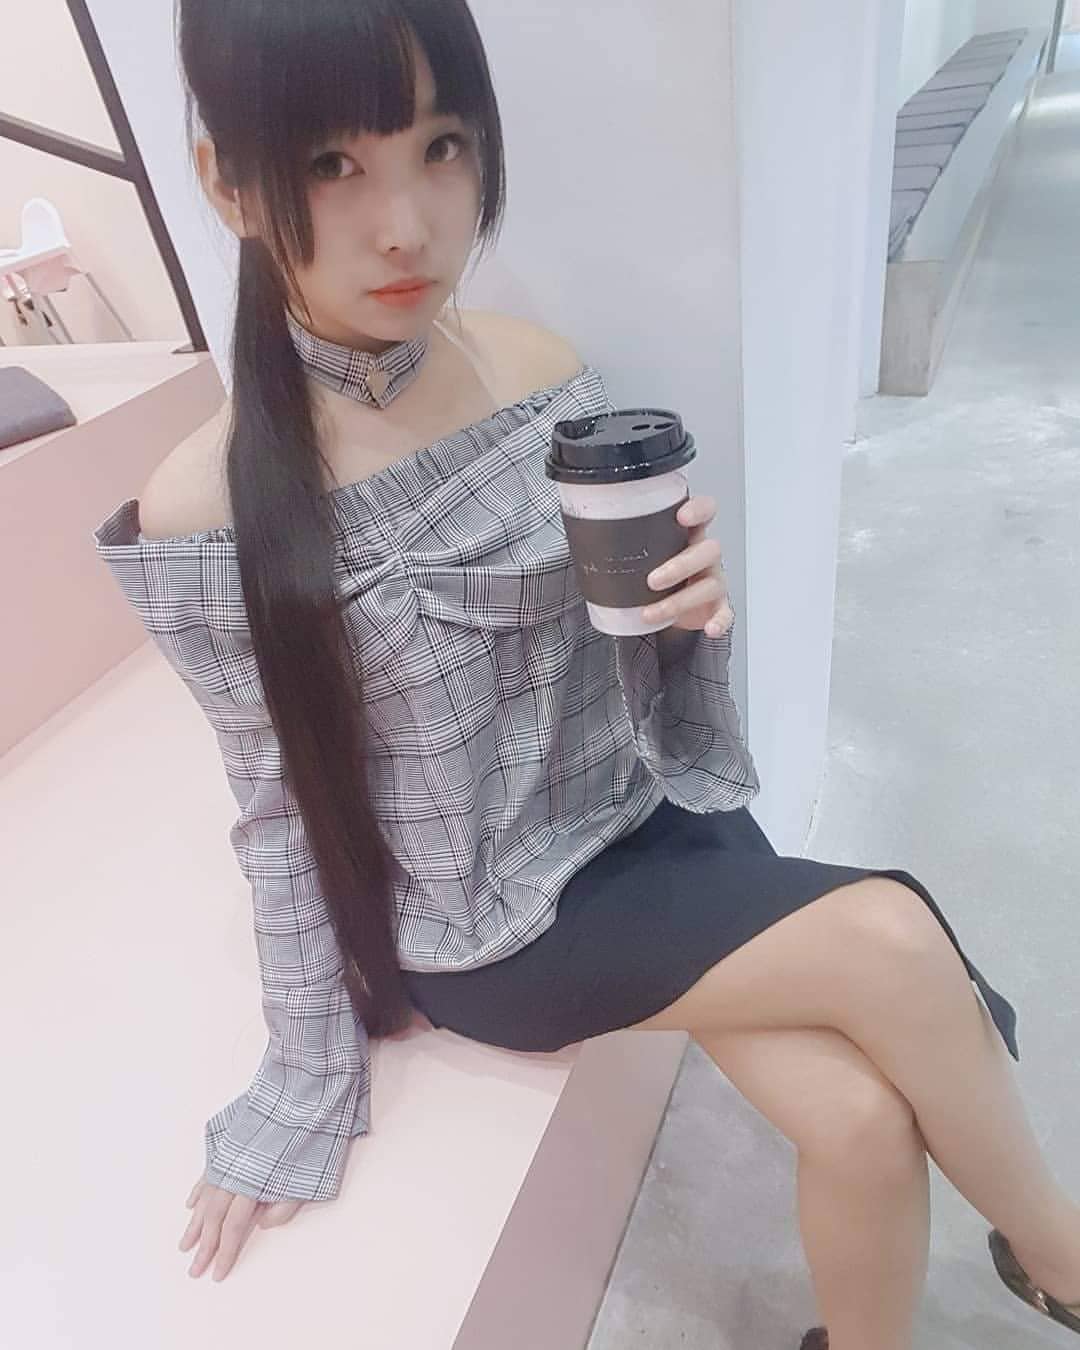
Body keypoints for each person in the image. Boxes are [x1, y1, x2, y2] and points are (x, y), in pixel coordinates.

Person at [92, 2, 1080, 1346]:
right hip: (499, 920)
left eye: (441, 146)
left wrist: (690, 618)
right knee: (896, 937)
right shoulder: (207, 505)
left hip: (650, 814)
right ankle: (1062, 1257)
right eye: (332, 164)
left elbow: (625, 663)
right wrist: (300, 1077)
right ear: (228, 182)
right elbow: (277, 812)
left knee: (858, 1118)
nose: (408, 224)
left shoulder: (538, 373)